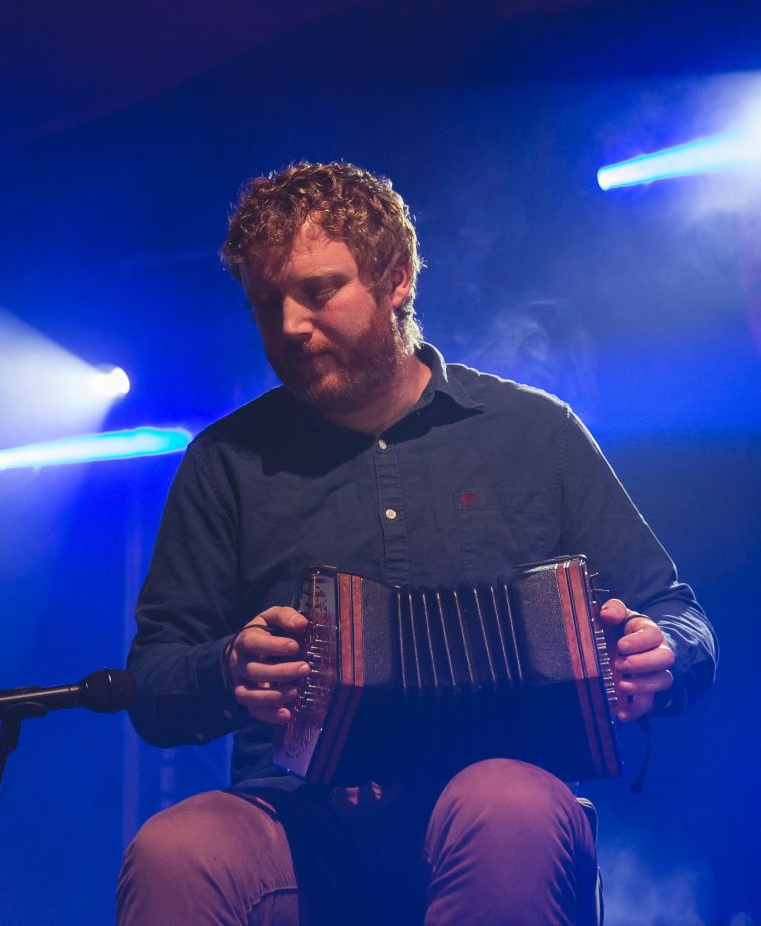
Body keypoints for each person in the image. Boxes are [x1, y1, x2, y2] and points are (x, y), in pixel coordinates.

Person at [118, 163, 717, 925]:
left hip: (499, 807)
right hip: (299, 820)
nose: (291, 326)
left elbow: (678, 613)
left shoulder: (534, 432)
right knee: (175, 849)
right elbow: (153, 677)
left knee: (505, 805)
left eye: (318, 291)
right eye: (267, 305)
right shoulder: (225, 462)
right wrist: (229, 666)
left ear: (396, 278)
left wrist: (662, 651)